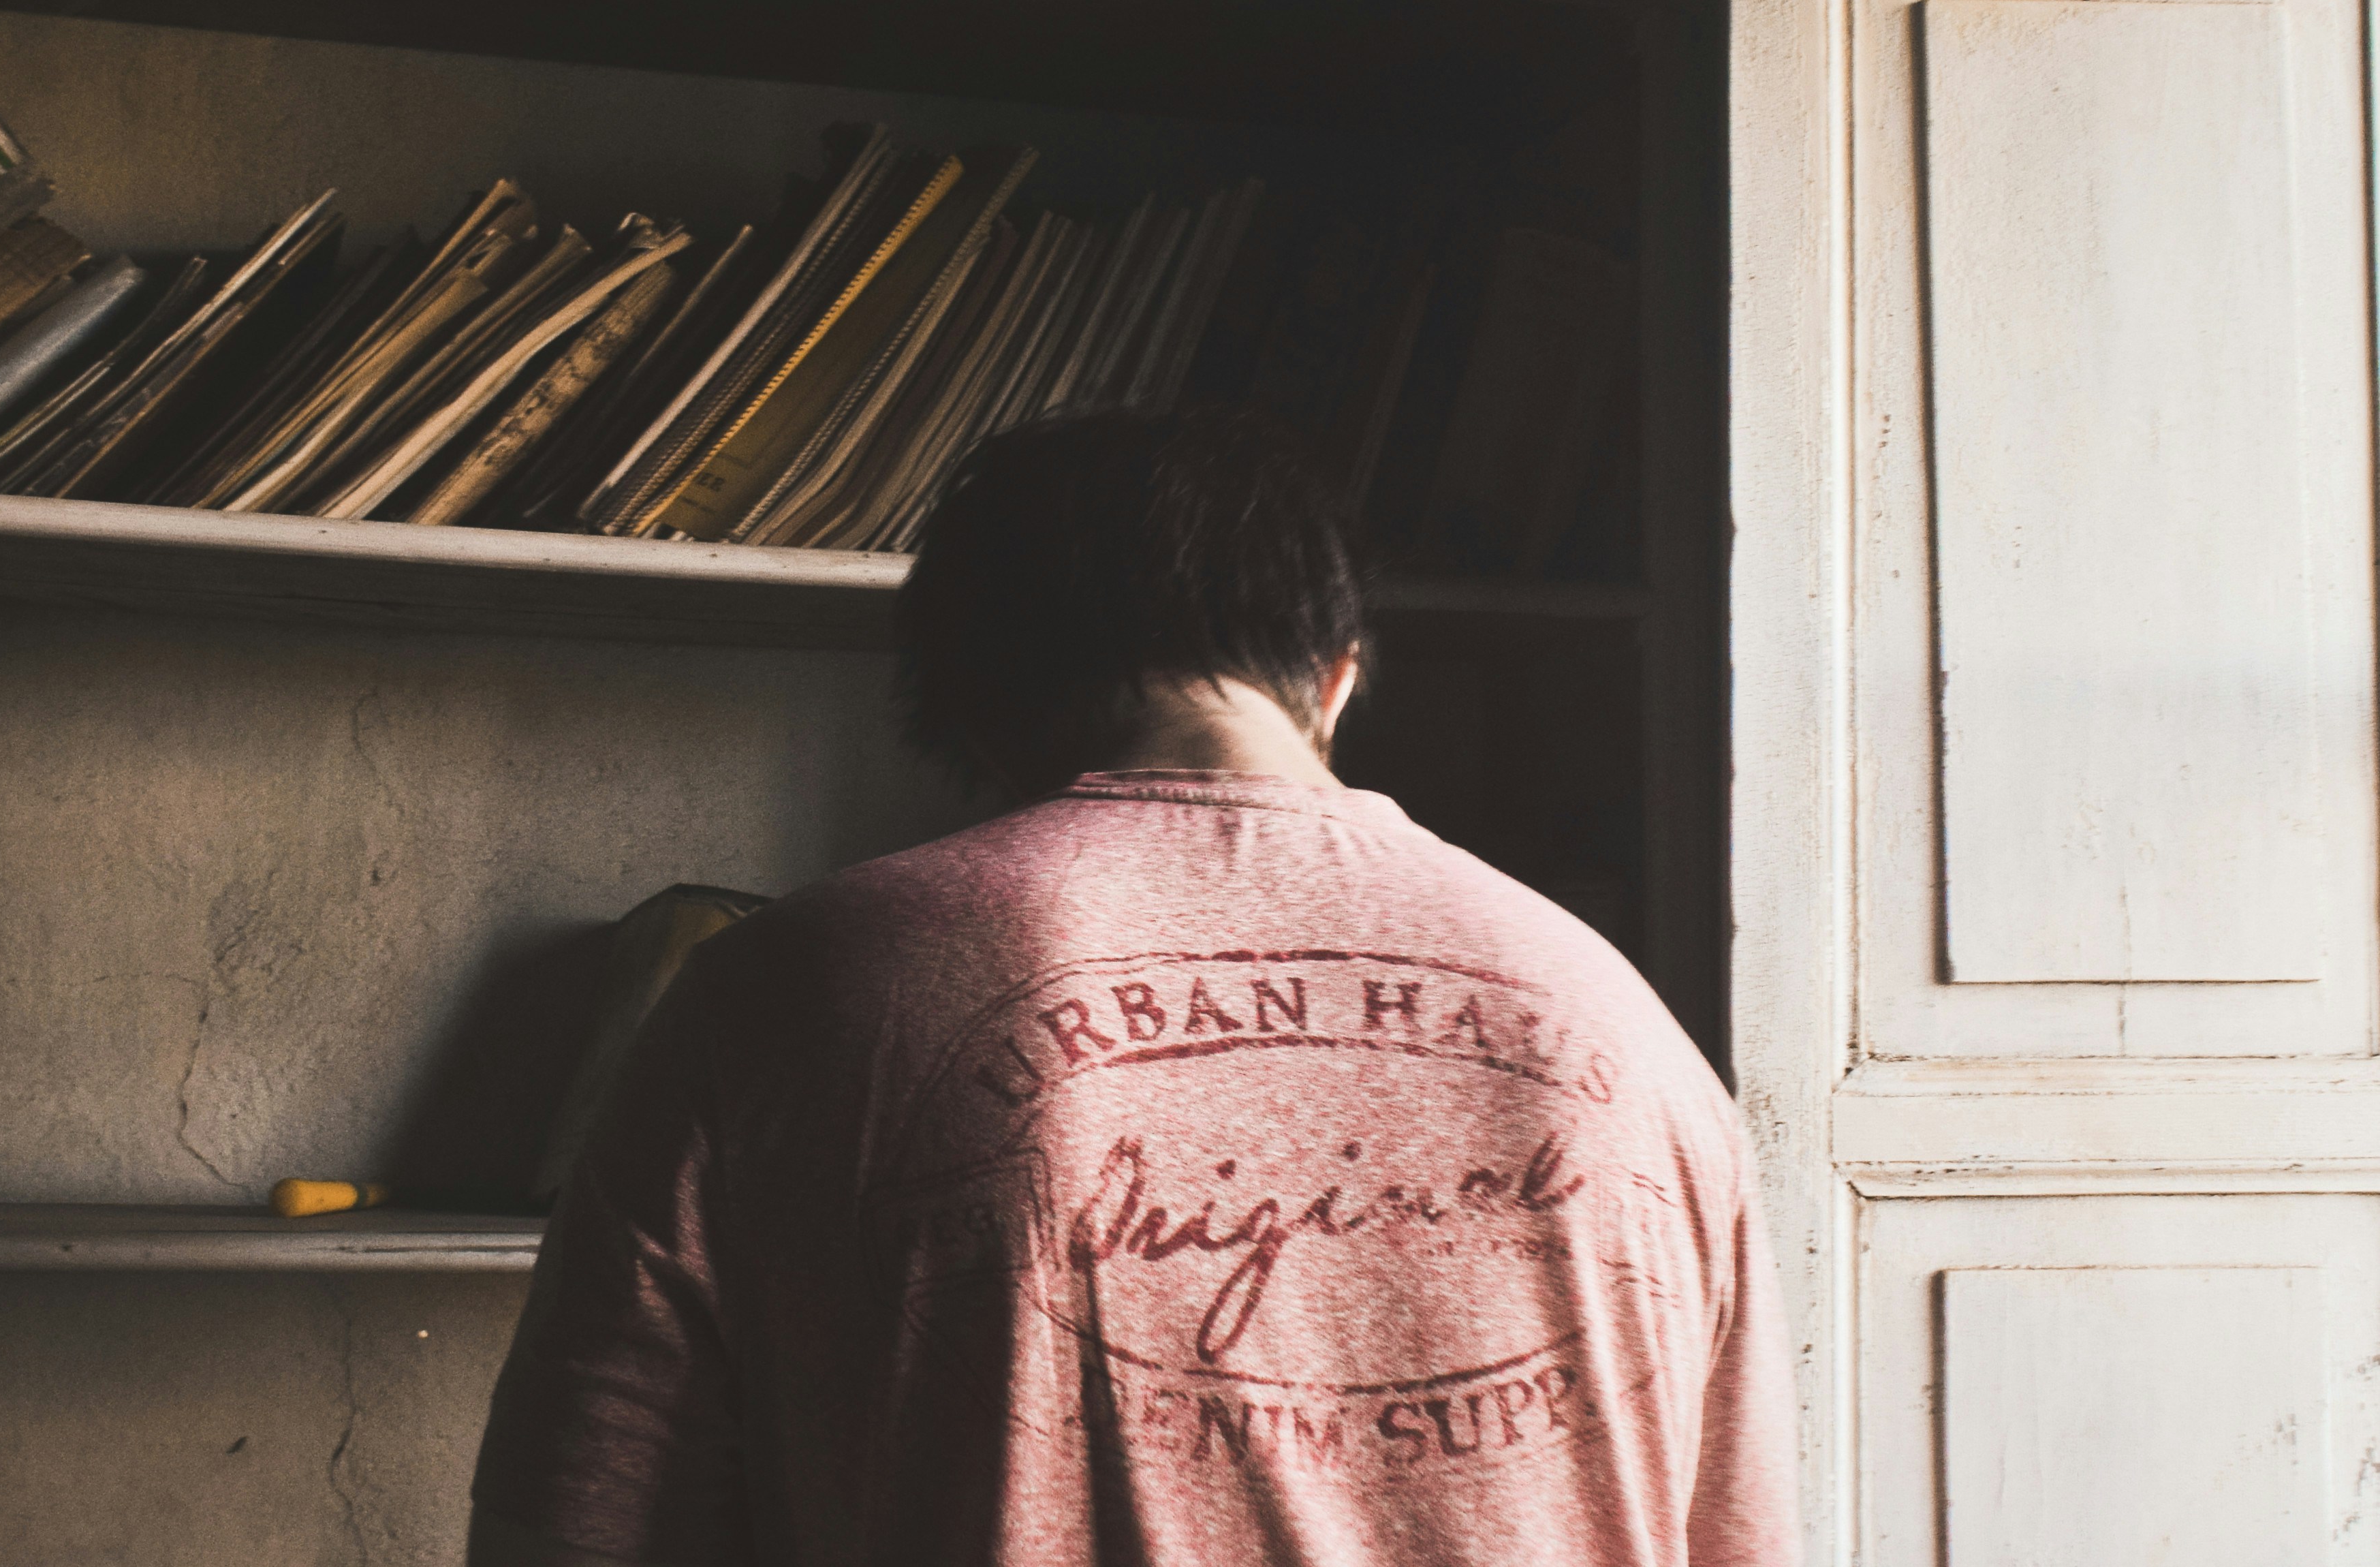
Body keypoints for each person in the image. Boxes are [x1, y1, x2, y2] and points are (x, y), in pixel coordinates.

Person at [468, 411, 1797, 1566]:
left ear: (969, 711)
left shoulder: (783, 989)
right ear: (1333, 678)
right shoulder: (1621, 1020)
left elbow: (579, 1521)